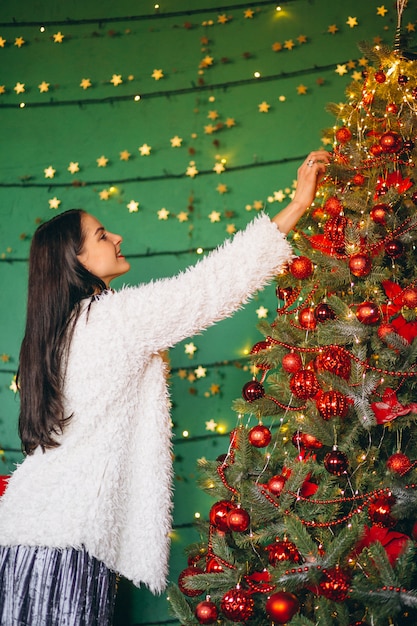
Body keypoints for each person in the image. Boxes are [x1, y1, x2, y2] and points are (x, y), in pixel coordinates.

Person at [0, 151, 330, 625]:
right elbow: (210, 287)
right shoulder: (111, 319)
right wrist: (297, 205)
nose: (116, 237)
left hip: (26, 533)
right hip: (63, 541)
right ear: (76, 260)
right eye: (100, 235)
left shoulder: (59, 332)